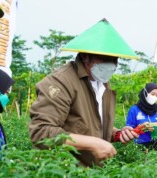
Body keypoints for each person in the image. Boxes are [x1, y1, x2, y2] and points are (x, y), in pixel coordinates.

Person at [29, 19, 139, 167]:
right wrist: (93, 143)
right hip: (63, 170)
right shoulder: (60, 82)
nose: (111, 64)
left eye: (115, 59)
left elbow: (86, 124)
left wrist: (116, 133)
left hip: (93, 169)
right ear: (85, 56)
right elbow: (41, 132)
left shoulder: (102, 82)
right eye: (105, 58)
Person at [125, 82, 157, 148]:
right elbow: (129, 130)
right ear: (145, 93)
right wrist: (141, 128)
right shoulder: (134, 109)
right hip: (140, 145)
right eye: (152, 94)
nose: (155, 97)